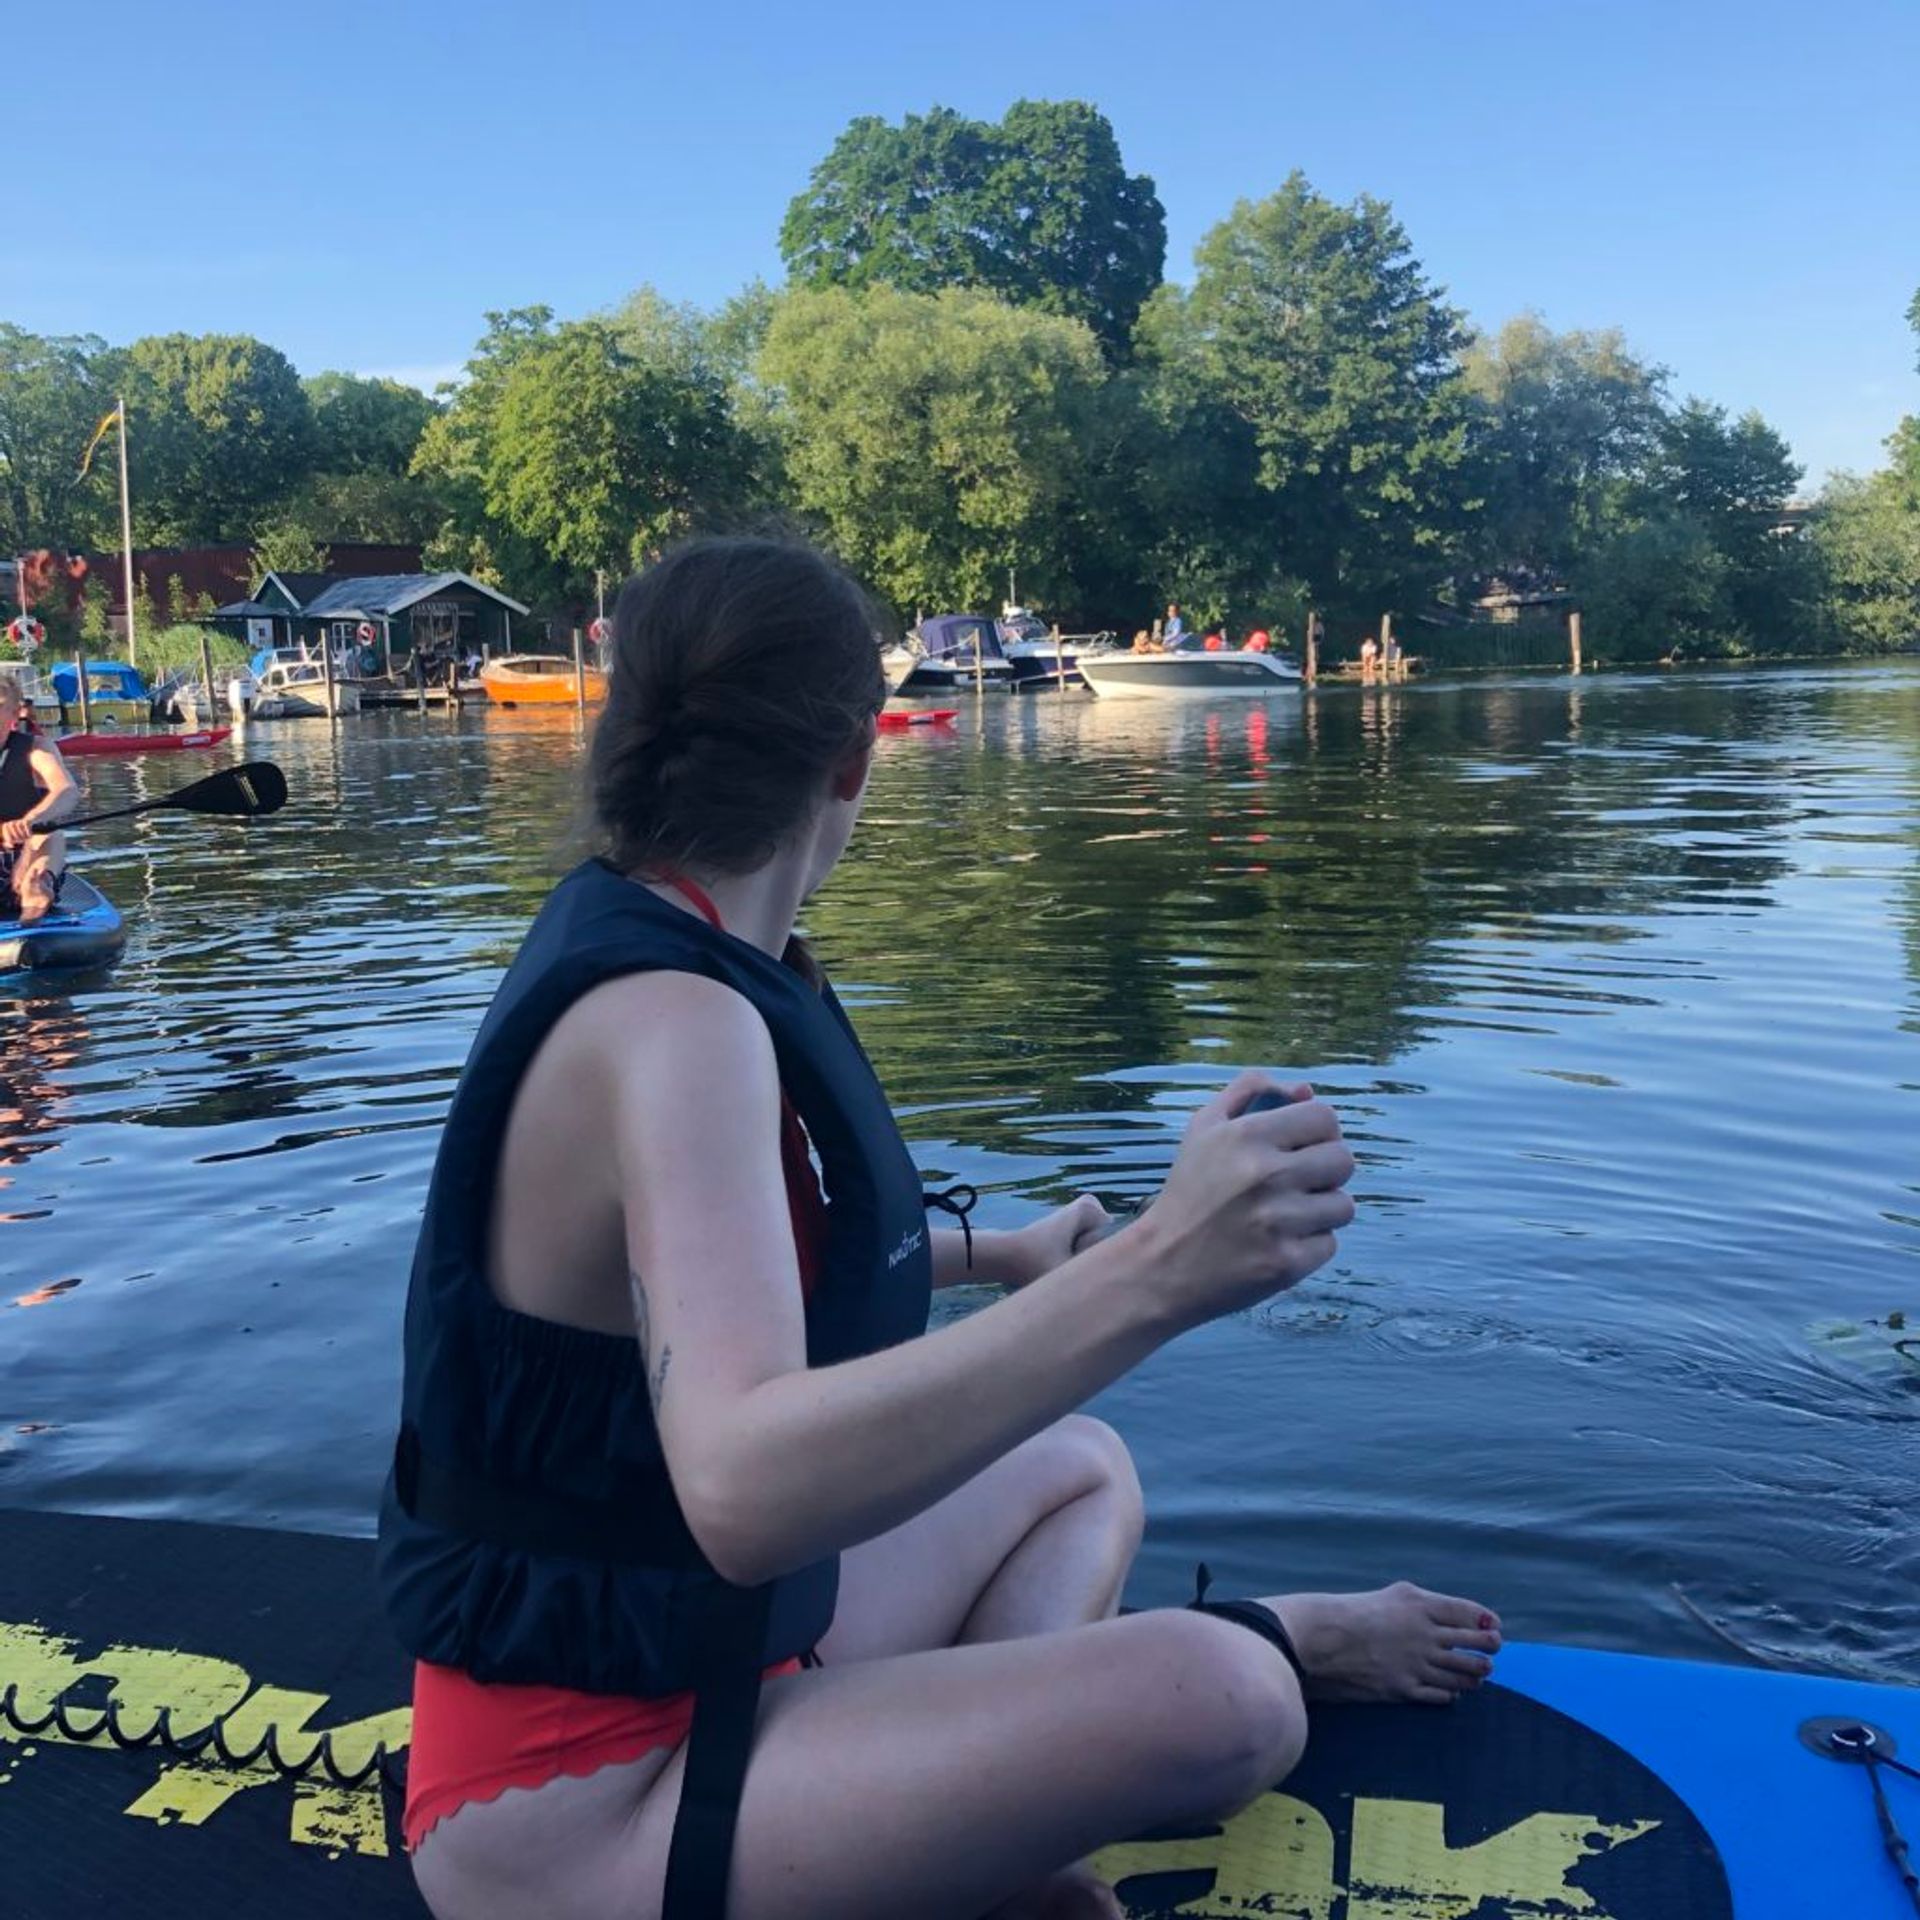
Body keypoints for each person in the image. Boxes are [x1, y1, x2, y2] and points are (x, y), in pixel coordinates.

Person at [380, 536, 1500, 1920]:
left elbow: (692, 1287)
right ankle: (1260, 1649)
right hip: (573, 1811)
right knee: (1231, 1706)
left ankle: (965, 1831)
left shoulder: (676, 958)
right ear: (856, 759)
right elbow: (740, 1493)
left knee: (1077, 1470)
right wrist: (1165, 1269)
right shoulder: (678, 1024)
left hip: (722, 1665)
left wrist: (1002, 1254)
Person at [0, 672, 77, 924]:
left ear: (14, 714)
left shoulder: (36, 748)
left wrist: (32, 820)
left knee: (51, 832)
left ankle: (37, 886)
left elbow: (66, 790)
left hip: (24, 861)